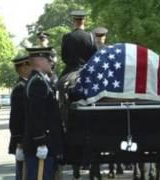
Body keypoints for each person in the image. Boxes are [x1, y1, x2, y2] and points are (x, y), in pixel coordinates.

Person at [60, 10, 98, 180]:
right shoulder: (91, 37)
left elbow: (64, 57)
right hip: (88, 73)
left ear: (73, 22)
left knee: (59, 87)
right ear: (84, 21)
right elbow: (95, 56)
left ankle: (62, 115)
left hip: (71, 71)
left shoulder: (67, 37)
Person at [23, 47, 64, 180]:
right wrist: (41, 141)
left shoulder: (40, 80)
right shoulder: (38, 83)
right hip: (40, 145)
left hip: (43, 143)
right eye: (49, 59)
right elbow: (37, 115)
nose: (52, 62)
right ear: (40, 61)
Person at [8, 56, 32, 180]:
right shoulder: (20, 88)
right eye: (29, 65)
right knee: (23, 174)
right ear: (22, 68)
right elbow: (16, 118)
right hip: (22, 140)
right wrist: (19, 142)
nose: (32, 67)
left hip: (24, 139)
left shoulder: (26, 85)